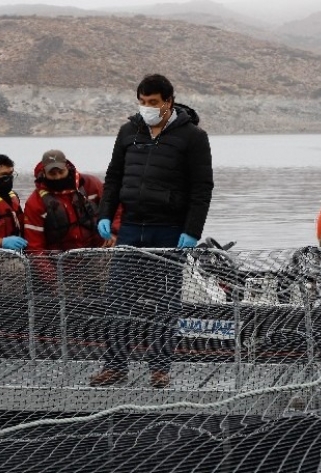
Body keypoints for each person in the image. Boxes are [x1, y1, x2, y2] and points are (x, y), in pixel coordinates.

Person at [91, 73, 214, 389]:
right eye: (142, 102)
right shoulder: (128, 131)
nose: (147, 108)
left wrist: (191, 231)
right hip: (131, 228)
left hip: (169, 231)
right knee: (118, 301)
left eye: (153, 103)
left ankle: (160, 369)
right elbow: (114, 177)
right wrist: (105, 215)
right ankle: (115, 367)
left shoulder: (193, 137)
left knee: (165, 304)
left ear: (168, 102)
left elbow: (202, 188)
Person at [23, 149, 106, 253]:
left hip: (98, 252)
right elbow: (35, 247)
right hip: (60, 261)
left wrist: (114, 232)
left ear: (68, 167)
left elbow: (115, 209)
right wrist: (48, 269)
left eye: (61, 172)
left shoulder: (91, 184)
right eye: (52, 174)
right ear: (44, 173)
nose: (58, 177)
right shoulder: (35, 202)